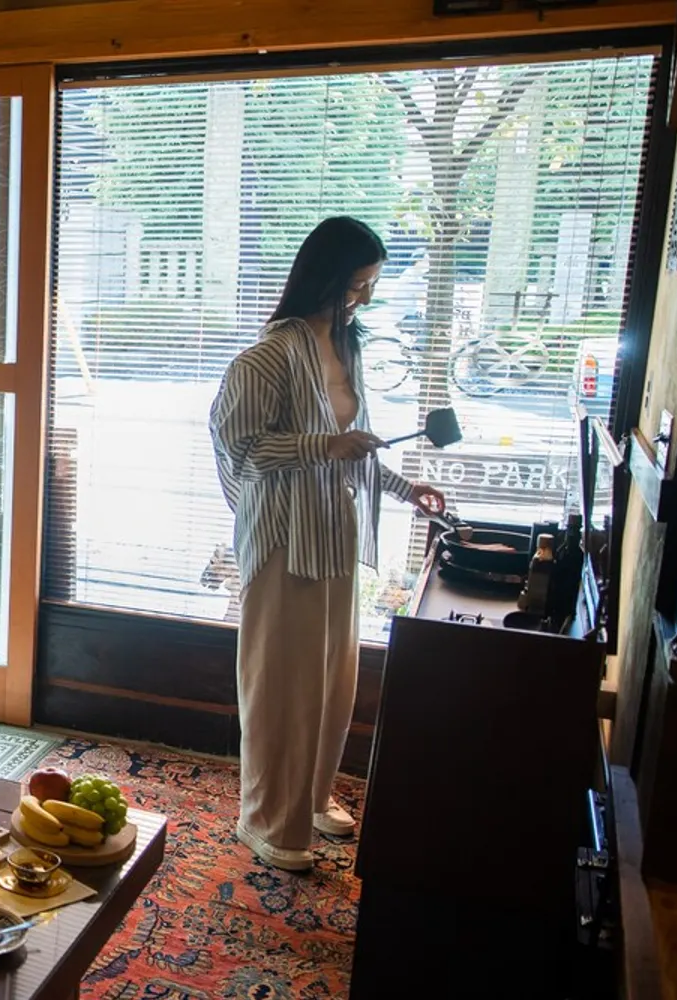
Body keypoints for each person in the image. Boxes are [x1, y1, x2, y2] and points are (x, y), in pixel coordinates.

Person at [209, 216, 447, 872]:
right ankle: (265, 820)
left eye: (371, 285)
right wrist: (323, 445)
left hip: (332, 534)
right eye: (355, 284)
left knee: (332, 682)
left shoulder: (347, 346)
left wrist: (405, 488)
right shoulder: (267, 357)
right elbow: (243, 451)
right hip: (283, 540)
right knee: (281, 688)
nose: (364, 298)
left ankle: (310, 798)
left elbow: (355, 445)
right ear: (324, 276)